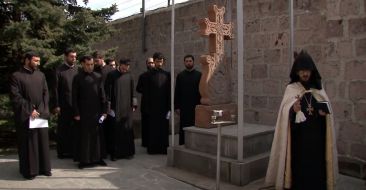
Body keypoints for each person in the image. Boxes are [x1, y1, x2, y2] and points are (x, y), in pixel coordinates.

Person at [265, 50, 338, 190]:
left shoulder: (318, 89)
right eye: (302, 71)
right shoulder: (291, 89)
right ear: (297, 72)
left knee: (317, 168)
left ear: (312, 71)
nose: (305, 73)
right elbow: (284, 116)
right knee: (300, 170)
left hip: (317, 140)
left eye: (308, 70)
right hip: (299, 140)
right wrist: (293, 110)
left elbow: (326, 115)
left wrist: (323, 115)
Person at [9, 51, 52, 180]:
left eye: (39, 61)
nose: (38, 63)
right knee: (29, 143)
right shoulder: (16, 76)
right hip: (26, 115)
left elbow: (46, 93)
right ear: (27, 60)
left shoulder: (41, 75)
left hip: (40, 113)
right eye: (35, 61)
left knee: (42, 142)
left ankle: (44, 168)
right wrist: (30, 110)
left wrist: (42, 109)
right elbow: (15, 96)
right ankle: (30, 171)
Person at [72, 55, 108, 169]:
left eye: (92, 64)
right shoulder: (77, 78)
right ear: (82, 64)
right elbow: (74, 97)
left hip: (97, 112)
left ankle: (99, 158)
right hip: (83, 113)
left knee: (98, 136)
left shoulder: (98, 77)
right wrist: (76, 113)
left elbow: (103, 95)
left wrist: (104, 111)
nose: (90, 67)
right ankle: (84, 161)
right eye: (88, 65)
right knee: (85, 137)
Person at [104, 59, 137, 161]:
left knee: (127, 130)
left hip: (127, 108)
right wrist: (109, 108)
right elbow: (107, 92)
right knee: (115, 131)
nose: (125, 69)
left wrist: (134, 104)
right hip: (115, 108)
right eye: (123, 66)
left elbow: (133, 91)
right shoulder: (111, 75)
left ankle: (128, 153)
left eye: (127, 67)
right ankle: (115, 154)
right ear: (120, 65)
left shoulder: (130, 76)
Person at [51, 48, 78, 159]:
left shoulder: (77, 70)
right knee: (63, 129)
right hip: (63, 105)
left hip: (75, 105)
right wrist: (56, 105)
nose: (74, 59)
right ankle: (62, 152)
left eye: (75, 57)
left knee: (74, 129)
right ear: (66, 57)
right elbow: (55, 89)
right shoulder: (59, 71)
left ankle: (73, 151)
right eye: (72, 56)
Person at [145, 52, 171, 154]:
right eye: (157, 61)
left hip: (164, 107)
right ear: (154, 61)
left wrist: (169, 108)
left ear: (163, 62)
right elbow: (146, 92)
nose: (159, 63)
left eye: (161, 61)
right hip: (153, 106)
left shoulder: (167, 74)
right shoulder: (148, 75)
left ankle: (163, 148)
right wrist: (147, 107)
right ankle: (153, 149)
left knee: (163, 129)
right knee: (153, 128)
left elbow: (169, 92)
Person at [174, 55, 201, 145]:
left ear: (193, 62)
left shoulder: (199, 75)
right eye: (187, 61)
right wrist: (177, 106)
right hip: (184, 106)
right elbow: (177, 91)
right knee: (184, 126)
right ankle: (183, 143)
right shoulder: (180, 76)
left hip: (195, 106)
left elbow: (201, 91)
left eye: (190, 61)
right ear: (184, 62)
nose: (188, 62)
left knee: (195, 125)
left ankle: (194, 144)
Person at [136, 57, 155, 147]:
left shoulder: (157, 75)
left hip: (155, 104)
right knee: (146, 124)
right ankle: (146, 142)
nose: (150, 64)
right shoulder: (142, 76)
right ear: (146, 64)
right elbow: (138, 88)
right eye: (149, 63)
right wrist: (146, 90)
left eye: (152, 63)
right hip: (145, 104)